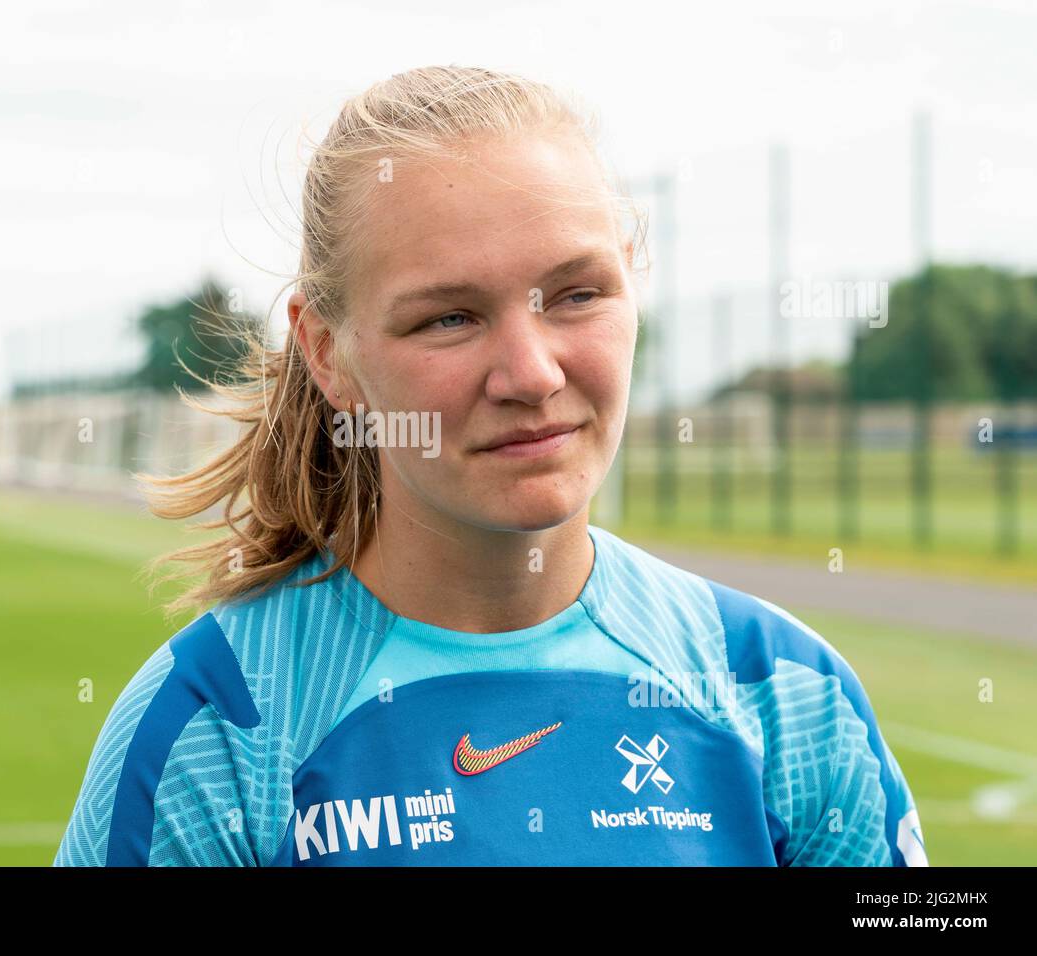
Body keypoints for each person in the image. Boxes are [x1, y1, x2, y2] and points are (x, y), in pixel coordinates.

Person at [55, 65, 927, 867]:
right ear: (328, 353)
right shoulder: (218, 727)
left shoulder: (783, 696)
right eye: (449, 318)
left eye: (578, 295)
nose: (532, 374)